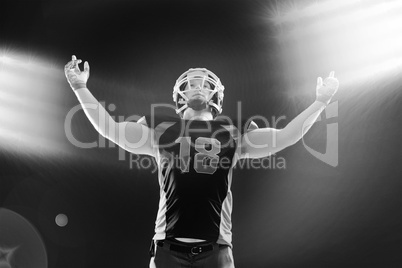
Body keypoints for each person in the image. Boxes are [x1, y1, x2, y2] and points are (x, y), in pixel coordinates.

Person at [64, 55, 339, 268]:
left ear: (215, 94)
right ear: (180, 94)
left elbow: (286, 136)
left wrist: (321, 102)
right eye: (192, 83)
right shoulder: (160, 130)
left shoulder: (235, 132)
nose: (197, 88)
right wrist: (79, 87)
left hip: (216, 251)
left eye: (204, 84)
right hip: (167, 248)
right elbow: (109, 129)